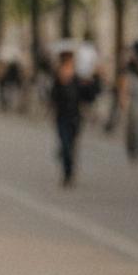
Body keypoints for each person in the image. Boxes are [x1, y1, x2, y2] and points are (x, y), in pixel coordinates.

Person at [50, 48, 98, 187]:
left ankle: (69, 170)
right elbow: (53, 97)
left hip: (75, 117)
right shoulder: (57, 79)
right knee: (65, 145)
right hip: (62, 117)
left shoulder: (78, 78)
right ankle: (67, 173)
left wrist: (93, 81)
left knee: (71, 146)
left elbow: (88, 96)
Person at [118, 40, 138, 163]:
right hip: (133, 98)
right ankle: (132, 149)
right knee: (133, 125)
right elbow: (125, 80)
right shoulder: (130, 65)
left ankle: (137, 149)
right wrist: (123, 97)